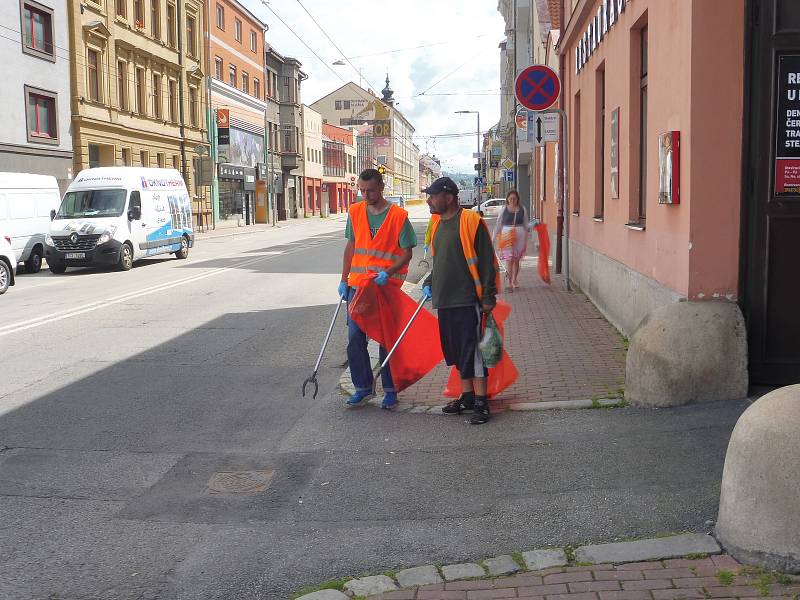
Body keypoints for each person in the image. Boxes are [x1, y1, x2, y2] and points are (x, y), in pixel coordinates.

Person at [422, 177, 499, 425]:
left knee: (473, 351)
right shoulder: (436, 225)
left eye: (432, 196)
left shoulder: (470, 221)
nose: (429, 200)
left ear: (449, 197)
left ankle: (481, 401)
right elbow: (440, 260)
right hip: (445, 300)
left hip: (468, 299)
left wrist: (488, 296)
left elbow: (487, 261)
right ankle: (466, 396)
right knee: (455, 351)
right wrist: (430, 282)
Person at [340, 168, 417, 409]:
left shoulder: (398, 216)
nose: (365, 195)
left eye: (370, 190)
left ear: (382, 187)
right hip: (358, 287)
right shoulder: (354, 212)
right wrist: (344, 280)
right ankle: (362, 387)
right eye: (362, 190)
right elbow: (351, 247)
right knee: (354, 338)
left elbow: (407, 253)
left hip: (386, 287)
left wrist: (389, 272)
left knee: (387, 339)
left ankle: (391, 389)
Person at [492, 190, 529, 292]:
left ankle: (514, 279)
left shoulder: (523, 209)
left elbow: (526, 224)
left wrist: (534, 226)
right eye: (511, 198)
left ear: (517, 199)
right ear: (507, 199)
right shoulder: (504, 210)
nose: (512, 200)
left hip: (520, 236)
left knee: (516, 260)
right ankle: (509, 283)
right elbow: (498, 224)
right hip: (507, 236)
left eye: (514, 198)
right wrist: (493, 238)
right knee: (509, 259)